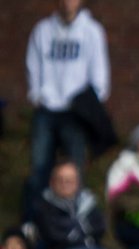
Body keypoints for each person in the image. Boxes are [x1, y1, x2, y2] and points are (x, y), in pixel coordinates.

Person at [22, 0, 110, 220]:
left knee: (74, 170)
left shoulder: (91, 31)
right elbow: (33, 64)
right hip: (47, 109)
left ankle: (74, 224)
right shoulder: (43, 30)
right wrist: (37, 95)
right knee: (39, 169)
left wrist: (91, 103)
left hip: (76, 111)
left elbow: (99, 70)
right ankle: (33, 224)